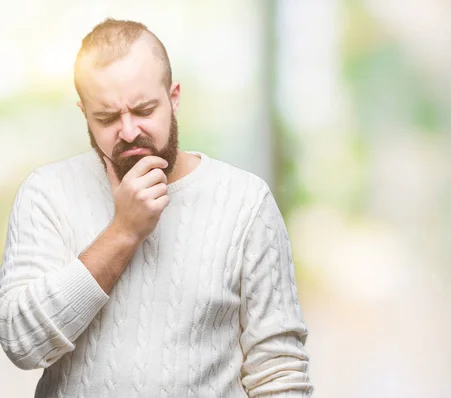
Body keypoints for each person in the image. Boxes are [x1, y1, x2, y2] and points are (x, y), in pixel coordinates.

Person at [0, 18, 313, 397]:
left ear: (173, 97)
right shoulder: (47, 193)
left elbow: (278, 371)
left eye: (144, 110)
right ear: (84, 113)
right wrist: (124, 231)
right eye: (107, 118)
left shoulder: (245, 201)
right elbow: (22, 344)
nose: (129, 131)